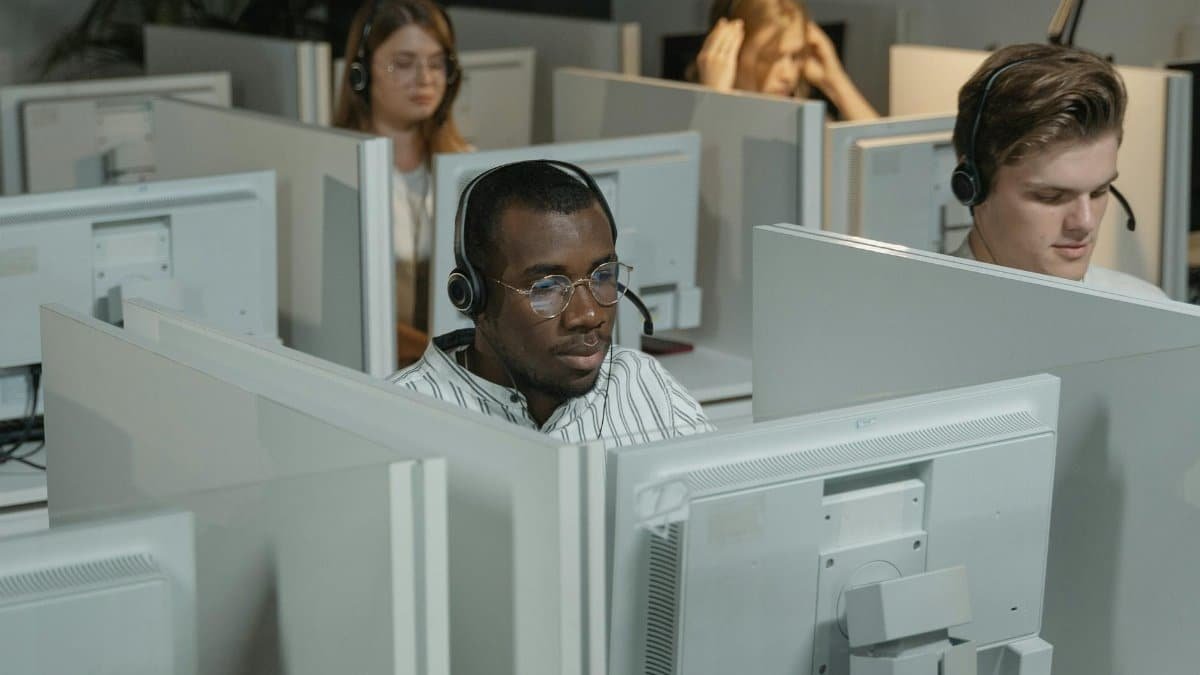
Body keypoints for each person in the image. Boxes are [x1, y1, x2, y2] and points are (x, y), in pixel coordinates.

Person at [388, 160, 716, 447]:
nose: (589, 314)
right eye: (547, 287)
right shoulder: (397, 418)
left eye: (602, 276)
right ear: (473, 296)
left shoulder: (642, 384)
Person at [948, 43, 1168, 302]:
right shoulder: (912, 317)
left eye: (1099, 192)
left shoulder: (1149, 307)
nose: (1085, 223)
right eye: (1051, 196)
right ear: (972, 187)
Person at [334, 0, 472, 364]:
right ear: (361, 74)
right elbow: (347, 315)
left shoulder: (467, 167)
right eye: (404, 63)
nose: (425, 79)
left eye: (436, 63)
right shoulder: (337, 172)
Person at [693, 0, 878, 120]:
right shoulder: (690, 119)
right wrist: (715, 98)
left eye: (796, 56)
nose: (788, 75)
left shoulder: (802, 121)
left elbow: (886, 160)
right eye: (769, 58)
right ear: (729, 51)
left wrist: (835, 83)